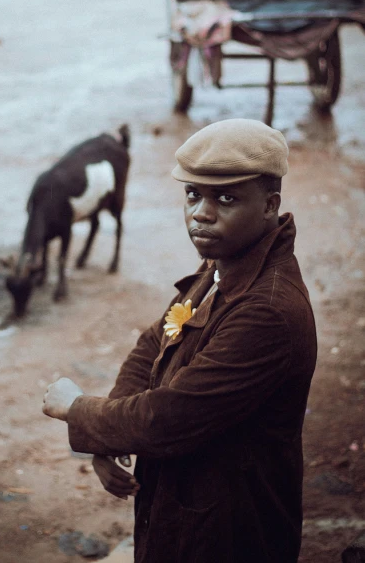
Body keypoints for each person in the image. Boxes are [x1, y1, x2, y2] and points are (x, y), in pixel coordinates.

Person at [42, 118, 317, 563]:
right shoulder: (223, 263)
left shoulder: (267, 311)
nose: (200, 213)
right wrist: (108, 439)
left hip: (230, 532)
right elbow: (157, 340)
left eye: (225, 198)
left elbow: (168, 418)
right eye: (193, 195)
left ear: (270, 205)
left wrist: (81, 413)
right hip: (185, 509)